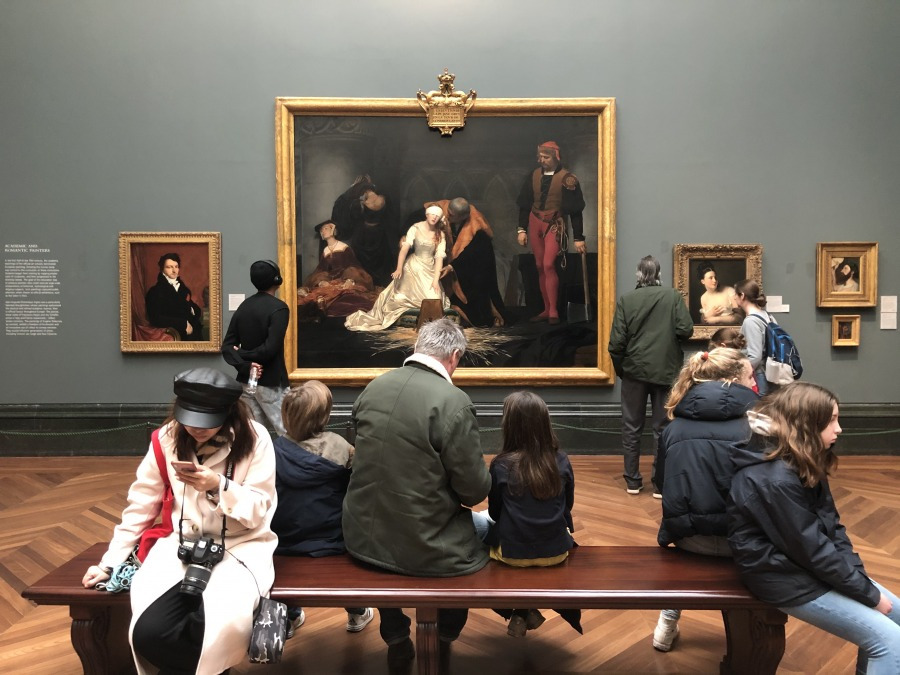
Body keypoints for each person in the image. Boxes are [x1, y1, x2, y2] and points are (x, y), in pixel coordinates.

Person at [81, 368, 278, 674]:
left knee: (215, 628)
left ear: (228, 412)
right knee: (147, 633)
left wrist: (218, 486)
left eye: (207, 421)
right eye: (189, 418)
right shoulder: (167, 438)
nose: (196, 428)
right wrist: (109, 563)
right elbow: (141, 505)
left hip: (241, 548)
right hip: (180, 547)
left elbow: (258, 510)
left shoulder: (255, 439)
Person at [342, 317, 491, 667]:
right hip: (428, 544)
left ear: (417, 347)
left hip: (364, 534)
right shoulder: (453, 402)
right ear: (454, 356)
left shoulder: (373, 388)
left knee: (382, 550)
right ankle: (443, 637)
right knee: (483, 531)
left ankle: (395, 633)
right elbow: (473, 491)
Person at [728, 383, 900, 673]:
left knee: (895, 616)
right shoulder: (774, 478)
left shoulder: (802, 459)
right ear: (806, 424)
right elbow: (812, 550)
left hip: (805, 568)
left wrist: (859, 580)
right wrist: (869, 595)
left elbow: (833, 529)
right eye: (832, 420)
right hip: (783, 578)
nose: (839, 429)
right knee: (890, 641)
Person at [651, 348, 758, 652]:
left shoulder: (673, 428)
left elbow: (661, 483)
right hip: (742, 542)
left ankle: (666, 622)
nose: (755, 382)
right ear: (733, 381)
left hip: (688, 539)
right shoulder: (758, 427)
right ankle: (748, 639)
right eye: (751, 376)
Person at [270, 380, 374, 638]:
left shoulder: (273, 450)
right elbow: (358, 491)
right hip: (333, 541)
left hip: (284, 541)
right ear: (323, 416)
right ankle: (356, 610)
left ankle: (290, 616)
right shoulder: (341, 447)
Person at [487, 391, 582, 638]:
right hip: (556, 552)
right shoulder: (561, 460)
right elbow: (567, 506)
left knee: (479, 529)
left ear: (509, 426)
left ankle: (521, 611)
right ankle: (524, 611)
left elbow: (495, 513)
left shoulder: (501, 464)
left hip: (512, 555)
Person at [607, 255, 694, 495]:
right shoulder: (673, 296)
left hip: (634, 371)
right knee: (663, 427)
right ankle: (660, 484)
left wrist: (623, 370)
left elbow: (616, 344)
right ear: (658, 274)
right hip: (666, 371)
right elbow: (686, 330)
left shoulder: (627, 300)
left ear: (638, 274)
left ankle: (632, 481)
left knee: (631, 426)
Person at [344, 204, 450, 332]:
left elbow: (439, 258)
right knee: (401, 298)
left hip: (430, 269)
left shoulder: (440, 234)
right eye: (432, 214)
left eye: (437, 216)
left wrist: (435, 280)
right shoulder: (416, 228)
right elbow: (404, 249)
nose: (434, 217)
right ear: (427, 214)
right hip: (413, 267)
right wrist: (399, 268)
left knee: (434, 299)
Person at [516, 141, 586, 325]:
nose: (542, 160)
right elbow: (524, 204)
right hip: (535, 221)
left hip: (554, 224)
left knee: (548, 265)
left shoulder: (567, 179)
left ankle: (554, 310)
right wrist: (521, 229)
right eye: (540, 157)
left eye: (546, 157)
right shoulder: (533, 175)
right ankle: (546, 309)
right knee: (539, 265)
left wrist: (578, 237)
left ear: (556, 157)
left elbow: (575, 211)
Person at [221, 260, 291, 435]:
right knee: (289, 433)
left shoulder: (244, 306)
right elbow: (269, 350)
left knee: (252, 436)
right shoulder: (279, 308)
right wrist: (246, 357)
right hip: (271, 383)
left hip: (247, 382)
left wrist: (245, 363)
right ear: (277, 280)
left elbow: (227, 347)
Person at [431, 197, 506, 327]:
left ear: (463, 217)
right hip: (444, 263)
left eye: (452, 216)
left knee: (476, 289)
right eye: (449, 213)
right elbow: (421, 216)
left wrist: (452, 266)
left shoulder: (478, 227)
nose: (448, 216)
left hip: (466, 272)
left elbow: (472, 254)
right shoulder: (442, 209)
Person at [297, 219, 377, 320]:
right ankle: (321, 304)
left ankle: (325, 304)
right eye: (321, 230)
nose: (323, 231)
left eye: (326, 229)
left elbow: (353, 265)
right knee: (317, 293)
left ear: (333, 230)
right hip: (331, 278)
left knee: (347, 297)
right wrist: (321, 281)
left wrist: (349, 280)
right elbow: (321, 269)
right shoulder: (325, 250)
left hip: (345, 277)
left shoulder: (344, 247)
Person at [331, 176, 398, 288]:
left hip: (363, 235)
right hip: (378, 235)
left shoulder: (360, 203)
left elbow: (342, 205)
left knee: (363, 266)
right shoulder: (382, 198)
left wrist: (353, 187)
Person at [144, 252, 203, 340]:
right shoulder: (154, 292)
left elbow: (194, 309)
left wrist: (191, 309)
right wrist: (183, 324)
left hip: (193, 332)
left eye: (176, 266)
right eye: (169, 267)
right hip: (175, 335)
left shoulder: (184, 289)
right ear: (162, 269)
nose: (174, 270)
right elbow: (155, 319)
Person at [732, 279, 773, 395]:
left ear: (742, 296)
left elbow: (755, 356)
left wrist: (739, 375)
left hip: (759, 376)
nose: (734, 297)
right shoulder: (766, 315)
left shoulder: (751, 321)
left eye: (735, 294)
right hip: (768, 372)